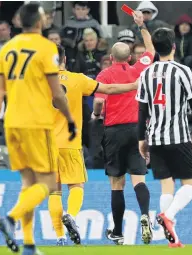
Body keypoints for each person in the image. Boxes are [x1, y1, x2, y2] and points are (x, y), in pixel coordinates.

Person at [0, 4, 75, 255]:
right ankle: (10, 219)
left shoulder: (7, 49)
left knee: (28, 184)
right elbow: (57, 93)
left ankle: (28, 245)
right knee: (47, 183)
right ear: (38, 22)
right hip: (37, 123)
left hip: (12, 123)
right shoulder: (46, 48)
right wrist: (69, 118)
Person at [47, 45, 141, 246]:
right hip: (70, 143)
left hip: (45, 144)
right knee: (76, 185)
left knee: (54, 191)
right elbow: (108, 89)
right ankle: (71, 215)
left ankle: (59, 237)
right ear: (64, 60)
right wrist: (133, 85)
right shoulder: (77, 79)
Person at [136, 27, 192, 248]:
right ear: (174, 47)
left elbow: (142, 111)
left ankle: (174, 239)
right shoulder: (182, 71)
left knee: (166, 186)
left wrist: (141, 139)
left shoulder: (146, 74)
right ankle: (168, 216)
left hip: (155, 138)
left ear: (156, 50)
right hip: (178, 137)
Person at [92, 10, 155, 246]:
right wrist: (142, 25)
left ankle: (117, 231)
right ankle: (146, 216)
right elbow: (151, 51)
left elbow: (98, 102)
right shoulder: (139, 69)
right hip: (137, 129)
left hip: (114, 130)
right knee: (139, 179)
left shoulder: (105, 75)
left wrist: (97, 115)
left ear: (110, 57)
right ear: (129, 58)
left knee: (117, 183)